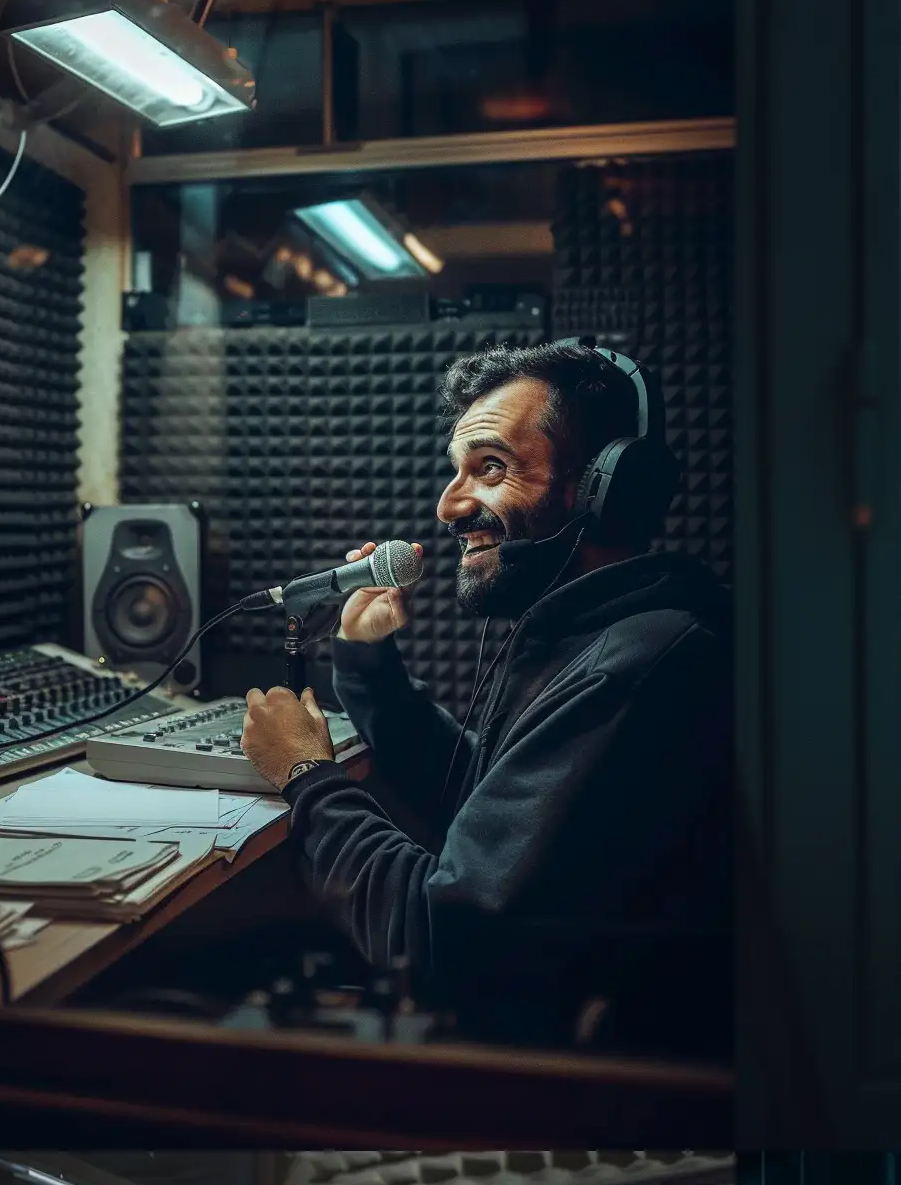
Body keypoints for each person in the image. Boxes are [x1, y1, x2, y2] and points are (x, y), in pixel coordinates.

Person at [238, 341, 730, 1055]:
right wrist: (369, 663)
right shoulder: (591, 634)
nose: (449, 505)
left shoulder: (637, 666)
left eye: (491, 468)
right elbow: (489, 804)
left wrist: (307, 776)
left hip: (584, 1078)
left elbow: (434, 943)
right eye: (455, 473)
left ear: (604, 487)